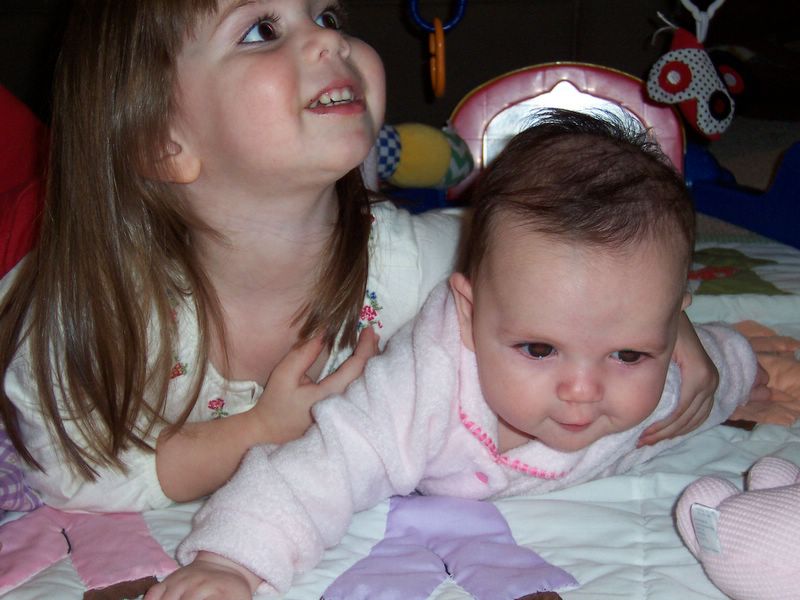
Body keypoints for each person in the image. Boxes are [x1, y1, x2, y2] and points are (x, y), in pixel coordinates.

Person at [0, 0, 716, 513]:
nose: (327, 40)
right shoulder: (94, 308)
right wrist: (259, 432)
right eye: (261, 29)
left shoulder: (400, 261)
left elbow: (555, 255)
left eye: (328, 15)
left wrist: (652, 325)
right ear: (164, 141)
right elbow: (74, 474)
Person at [146, 110, 762, 599]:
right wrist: (231, 561)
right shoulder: (422, 389)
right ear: (468, 314)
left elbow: (719, 370)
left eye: (627, 354)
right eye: (539, 349)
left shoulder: (667, 391)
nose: (583, 389)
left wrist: (752, 368)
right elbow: (323, 467)